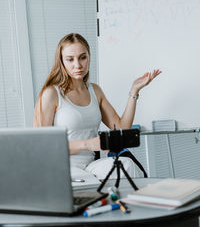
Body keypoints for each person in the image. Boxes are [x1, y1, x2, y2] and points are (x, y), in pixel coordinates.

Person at [33, 33, 161, 179]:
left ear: (89, 57)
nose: (78, 65)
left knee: (127, 166)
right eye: (70, 59)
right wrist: (87, 144)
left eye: (83, 57)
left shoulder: (95, 90)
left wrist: (134, 91)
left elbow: (121, 128)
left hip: (90, 165)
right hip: (63, 166)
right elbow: (43, 145)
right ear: (61, 61)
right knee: (89, 183)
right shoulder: (51, 93)